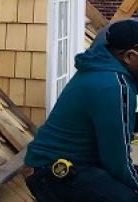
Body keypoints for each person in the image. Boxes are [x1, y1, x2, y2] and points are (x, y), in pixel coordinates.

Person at [24, 19, 138, 201]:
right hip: (54, 173)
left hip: (55, 166)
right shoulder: (114, 86)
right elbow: (117, 161)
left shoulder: (102, 69)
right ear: (129, 57)